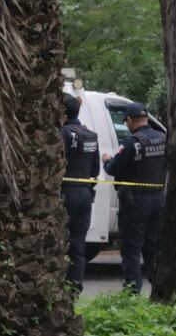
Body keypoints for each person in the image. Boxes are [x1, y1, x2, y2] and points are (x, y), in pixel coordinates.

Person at [102, 102, 167, 293]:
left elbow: (113, 168)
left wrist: (106, 160)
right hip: (158, 199)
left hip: (135, 202)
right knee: (151, 245)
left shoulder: (132, 143)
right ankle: (159, 289)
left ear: (130, 120)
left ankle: (132, 291)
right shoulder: (163, 138)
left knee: (131, 247)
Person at [59, 93, 100, 294]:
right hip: (84, 193)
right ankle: (74, 289)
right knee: (78, 245)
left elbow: (58, 165)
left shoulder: (63, 134)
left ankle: (60, 288)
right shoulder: (91, 135)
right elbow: (95, 170)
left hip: (65, 193)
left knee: (60, 242)